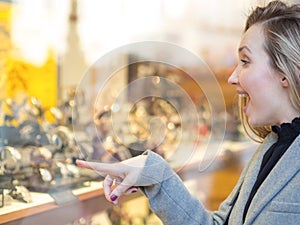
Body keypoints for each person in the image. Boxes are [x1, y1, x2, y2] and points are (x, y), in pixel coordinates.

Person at [76, 1, 300, 224]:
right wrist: (154, 173)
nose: (232, 77)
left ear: (285, 71)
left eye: (245, 61)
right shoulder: (272, 147)